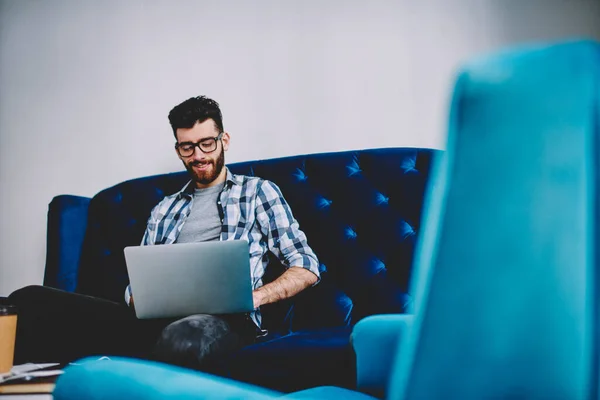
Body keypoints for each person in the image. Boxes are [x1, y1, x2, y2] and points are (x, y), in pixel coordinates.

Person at [8, 96, 320, 373]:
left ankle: (116, 365)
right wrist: (137, 298)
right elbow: (139, 280)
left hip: (225, 322)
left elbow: (306, 266)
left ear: (224, 140)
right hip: (152, 322)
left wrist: (256, 296)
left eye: (206, 143)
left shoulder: (258, 192)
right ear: (178, 149)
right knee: (29, 300)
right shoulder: (164, 209)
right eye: (188, 147)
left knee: (187, 335)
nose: (198, 155)